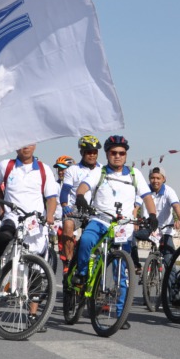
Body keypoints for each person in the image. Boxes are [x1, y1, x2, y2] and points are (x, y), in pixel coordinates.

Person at [73, 135, 157, 327]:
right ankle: (84, 274)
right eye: (113, 153)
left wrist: (152, 215)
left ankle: (120, 315)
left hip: (122, 229)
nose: (117, 156)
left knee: (122, 274)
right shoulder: (99, 171)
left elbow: (146, 196)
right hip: (100, 220)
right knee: (86, 240)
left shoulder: (135, 174)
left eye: (121, 153)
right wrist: (81, 197)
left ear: (126, 155)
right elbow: (84, 186)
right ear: (107, 154)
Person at [59, 136, 102, 274]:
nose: (92, 155)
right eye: (89, 152)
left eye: (95, 152)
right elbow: (65, 190)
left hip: (95, 209)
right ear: (82, 153)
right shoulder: (73, 170)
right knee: (67, 225)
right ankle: (69, 261)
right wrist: (65, 205)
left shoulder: (103, 169)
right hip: (75, 208)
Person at [130, 167, 180, 272]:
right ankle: (136, 265)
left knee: (170, 263)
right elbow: (135, 207)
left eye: (158, 178)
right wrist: (134, 220)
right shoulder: (144, 190)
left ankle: (171, 287)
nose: (155, 181)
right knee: (130, 234)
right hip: (148, 229)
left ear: (164, 179)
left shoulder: (169, 191)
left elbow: (176, 206)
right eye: (152, 178)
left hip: (164, 231)